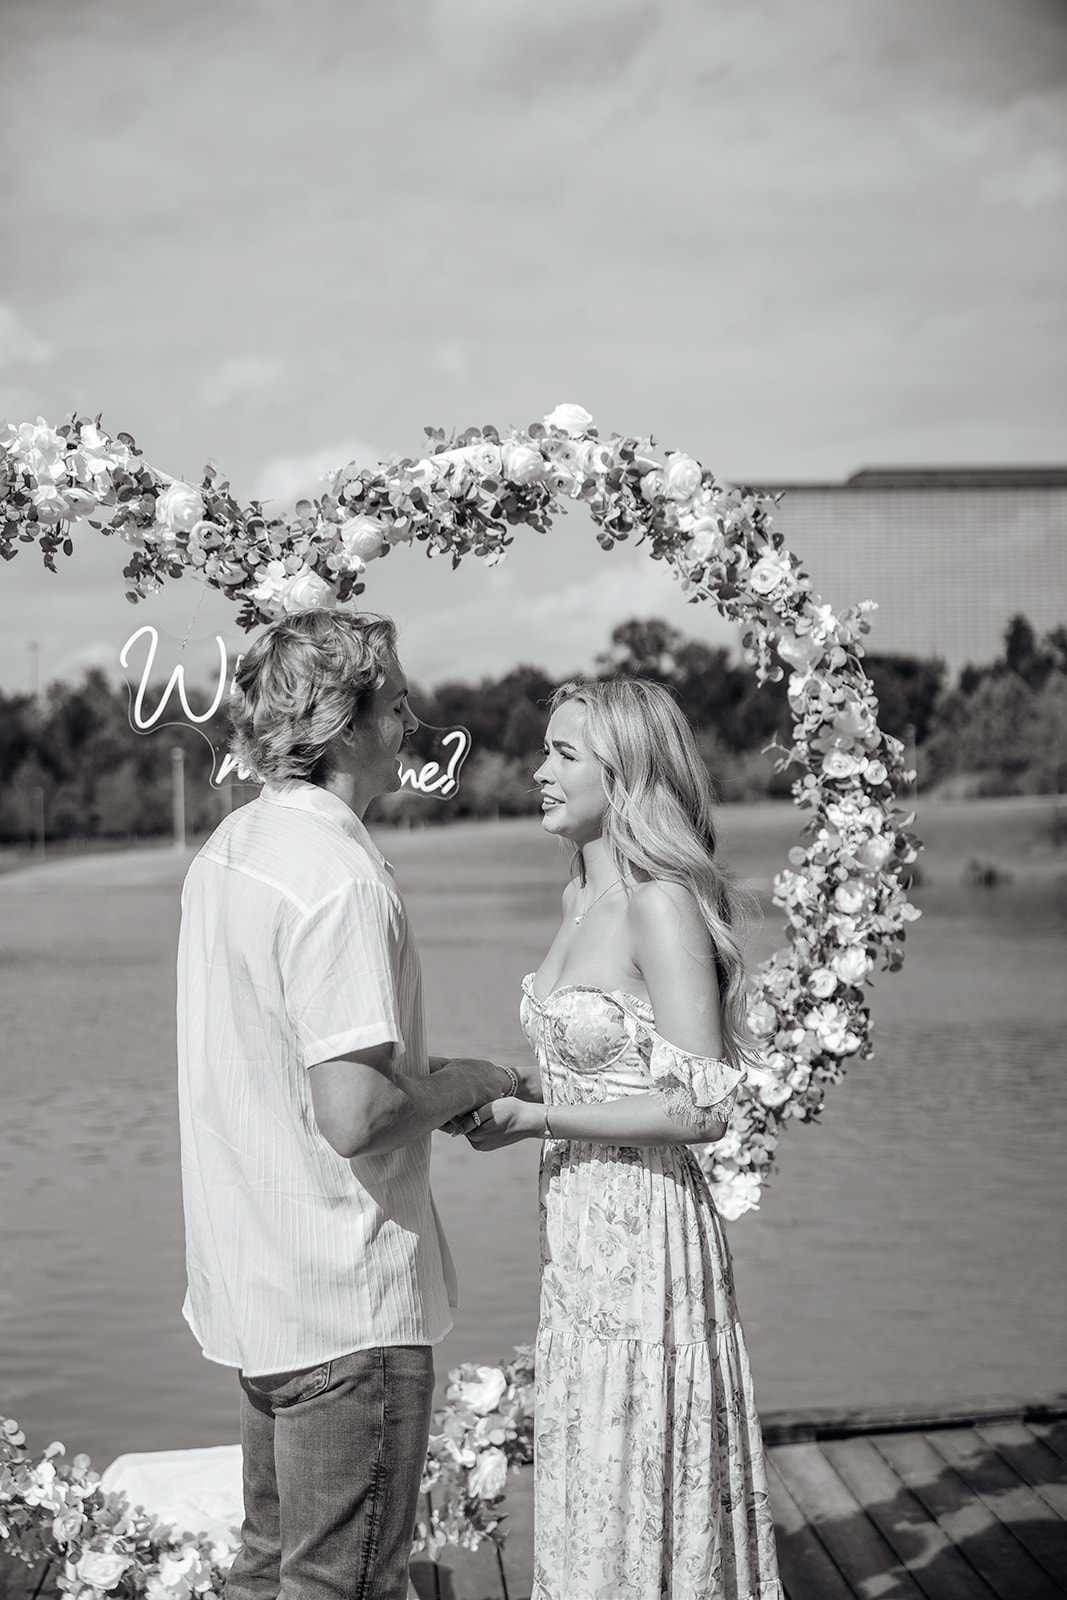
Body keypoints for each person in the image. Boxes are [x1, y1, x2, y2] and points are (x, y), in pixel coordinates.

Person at [176, 608, 528, 1600]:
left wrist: (427, 1068)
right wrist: (473, 1081)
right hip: (343, 1307)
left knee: (263, 1577)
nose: (412, 720)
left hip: (259, 1291)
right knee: (343, 1588)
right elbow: (355, 1115)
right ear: (344, 722)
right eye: (397, 702)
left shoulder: (230, 850)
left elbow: (297, 1073)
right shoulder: (337, 881)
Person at [454, 678, 782, 1599]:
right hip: (579, 1238)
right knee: (592, 1459)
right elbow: (595, 1071)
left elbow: (698, 1109)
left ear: (626, 772)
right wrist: (502, 1088)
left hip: (650, 1241)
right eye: (544, 753)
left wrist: (538, 1118)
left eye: (562, 756)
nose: (535, 772)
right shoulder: (575, 896)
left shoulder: (660, 904)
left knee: (643, 1452)